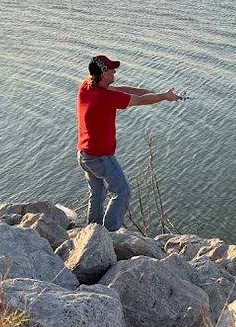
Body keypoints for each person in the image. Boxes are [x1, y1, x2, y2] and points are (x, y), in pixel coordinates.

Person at [76, 54, 183, 230]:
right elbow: (139, 101)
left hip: (83, 155)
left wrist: (150, 92)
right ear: (103, 74)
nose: (115, 71)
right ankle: (108, 234)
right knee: (122, 192)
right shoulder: (106, 98)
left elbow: (123, 90)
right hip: (100, 158)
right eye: (111, 69)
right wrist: (163, 96)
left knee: (97, 194)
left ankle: (92, 231)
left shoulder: (86, 86)